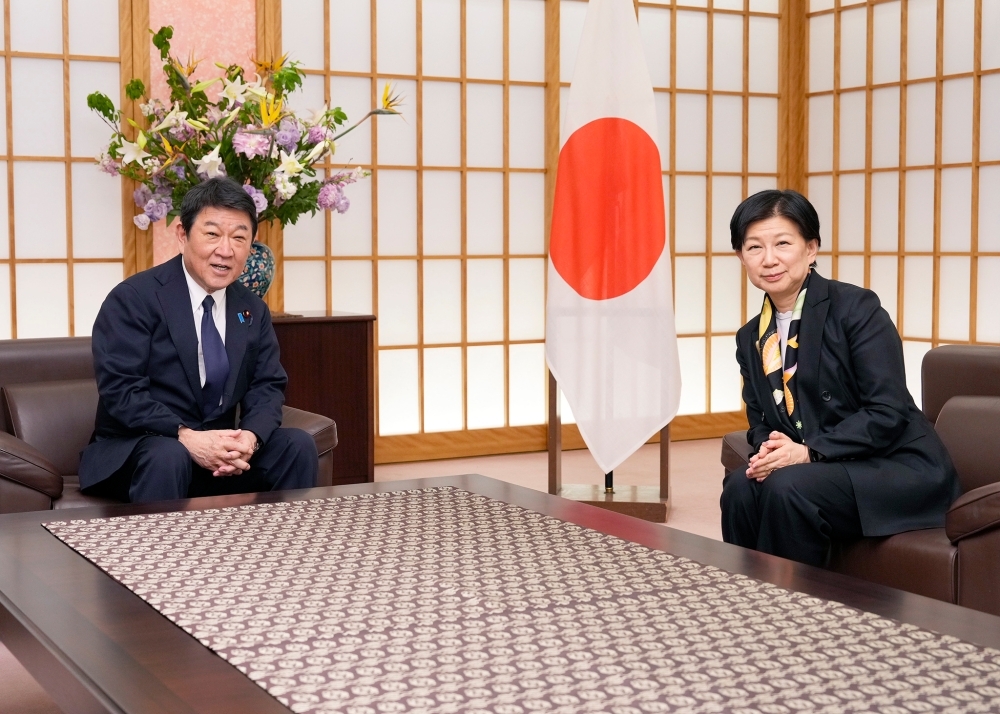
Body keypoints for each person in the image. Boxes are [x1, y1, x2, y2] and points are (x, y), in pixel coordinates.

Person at [721, 189, 959, 567]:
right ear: (740, 257)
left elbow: (888, 411)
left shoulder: (856, 308)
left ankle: (796, 602)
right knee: (739, 487)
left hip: (892, 463)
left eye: (783, 243)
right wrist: (770, 449)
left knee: (786, 487)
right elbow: (760, 420)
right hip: (821, 466)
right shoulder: (750, 336)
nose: (769, 259)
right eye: (754, 248)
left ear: (811, 248)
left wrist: (808, 452)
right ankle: (750, 597)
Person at [79, 177, 318, 503]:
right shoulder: (134, 299)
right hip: (141, 448)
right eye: (212, 234)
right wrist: (187, 437)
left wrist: (249, 438)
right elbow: (122, 391)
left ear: (251, 244)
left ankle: (285, 537)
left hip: (217, 456)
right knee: (169, 455)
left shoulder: (251, 309)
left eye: (239, 238)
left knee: (297, 446)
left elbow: (267, 385)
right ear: (182, 234)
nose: (225, 250)